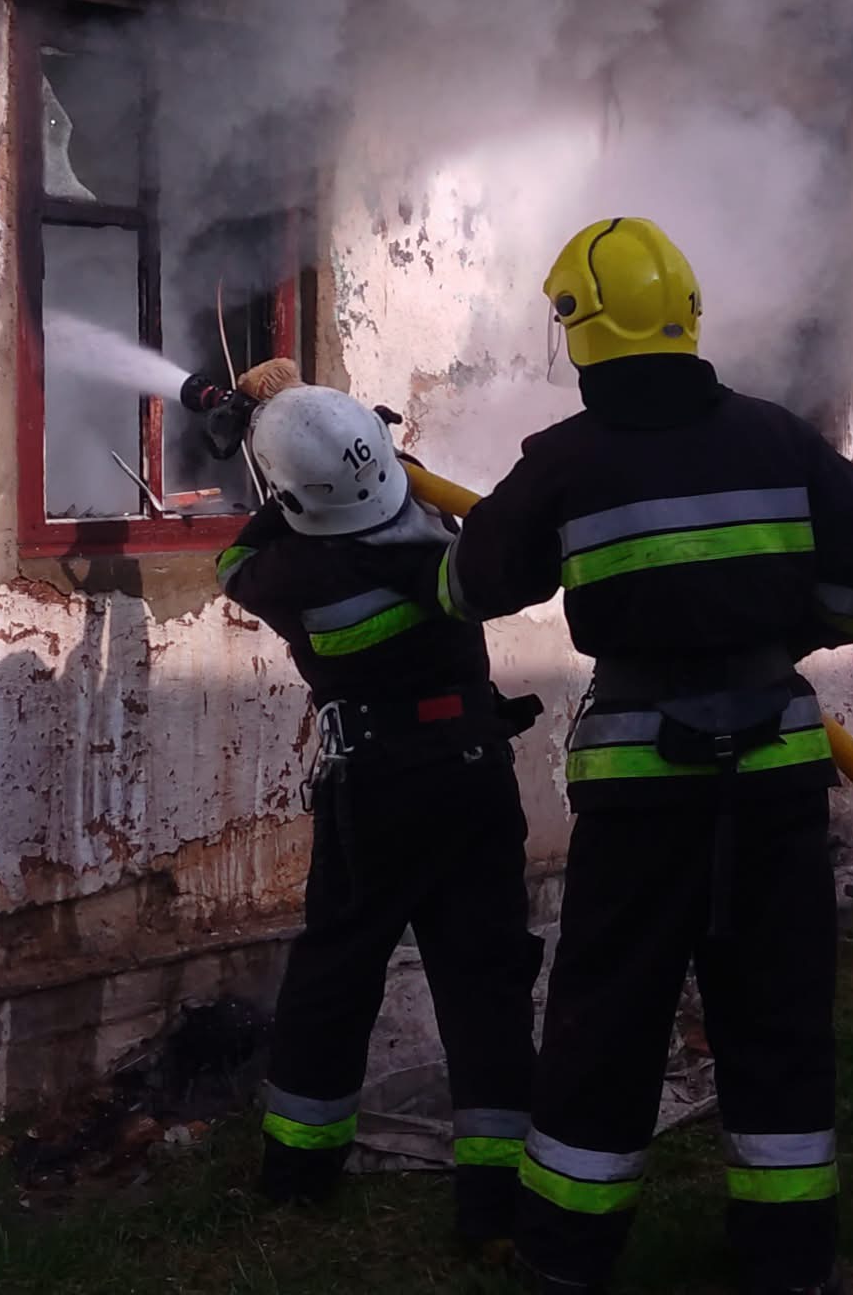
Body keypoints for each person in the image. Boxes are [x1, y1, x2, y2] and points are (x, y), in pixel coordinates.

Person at [431, 218, 853, 1295]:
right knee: (777, 1017)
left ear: (575, 328)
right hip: (776, 781)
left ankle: (563, 1256)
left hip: (644, 797)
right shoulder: (776, 438)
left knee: (605, 1021)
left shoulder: (564, 461)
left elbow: (475, 586)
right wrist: (796, 636)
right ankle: (786, 1260)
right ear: (684, 315)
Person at [217, 382, 546, 1249]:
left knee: (336, 977)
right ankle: (495, 1201)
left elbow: (235, 562)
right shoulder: (442, 538)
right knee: (486, 982)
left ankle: (298, 1177)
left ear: (293, 500)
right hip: (475, 775)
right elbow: (407, 494)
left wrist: (268, 460)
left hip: (376, 787)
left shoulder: (291, 573)